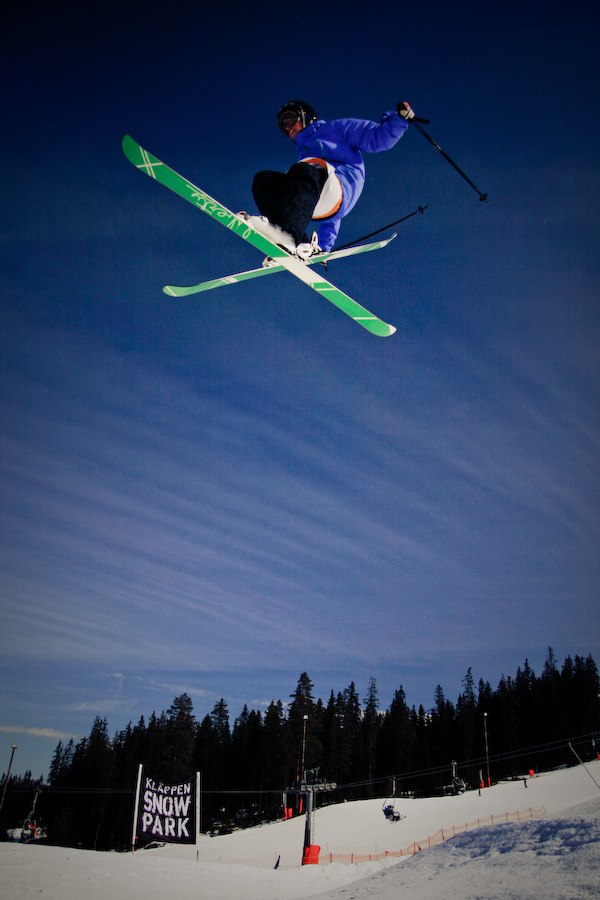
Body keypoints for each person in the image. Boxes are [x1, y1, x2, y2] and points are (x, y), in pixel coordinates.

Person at [243, 99, 415, 262]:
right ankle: (288, 237)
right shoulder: (305, 159)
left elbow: (377, 139)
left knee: (306, 169)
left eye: (289, 120)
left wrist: (398, 120)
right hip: (318, 200)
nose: (288, 129)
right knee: (264, 180)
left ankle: (289, 235)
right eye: (283, 127)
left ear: (306, 116)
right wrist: (323, 247)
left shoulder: (337, 129)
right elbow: (328, 212)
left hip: (340, 189)